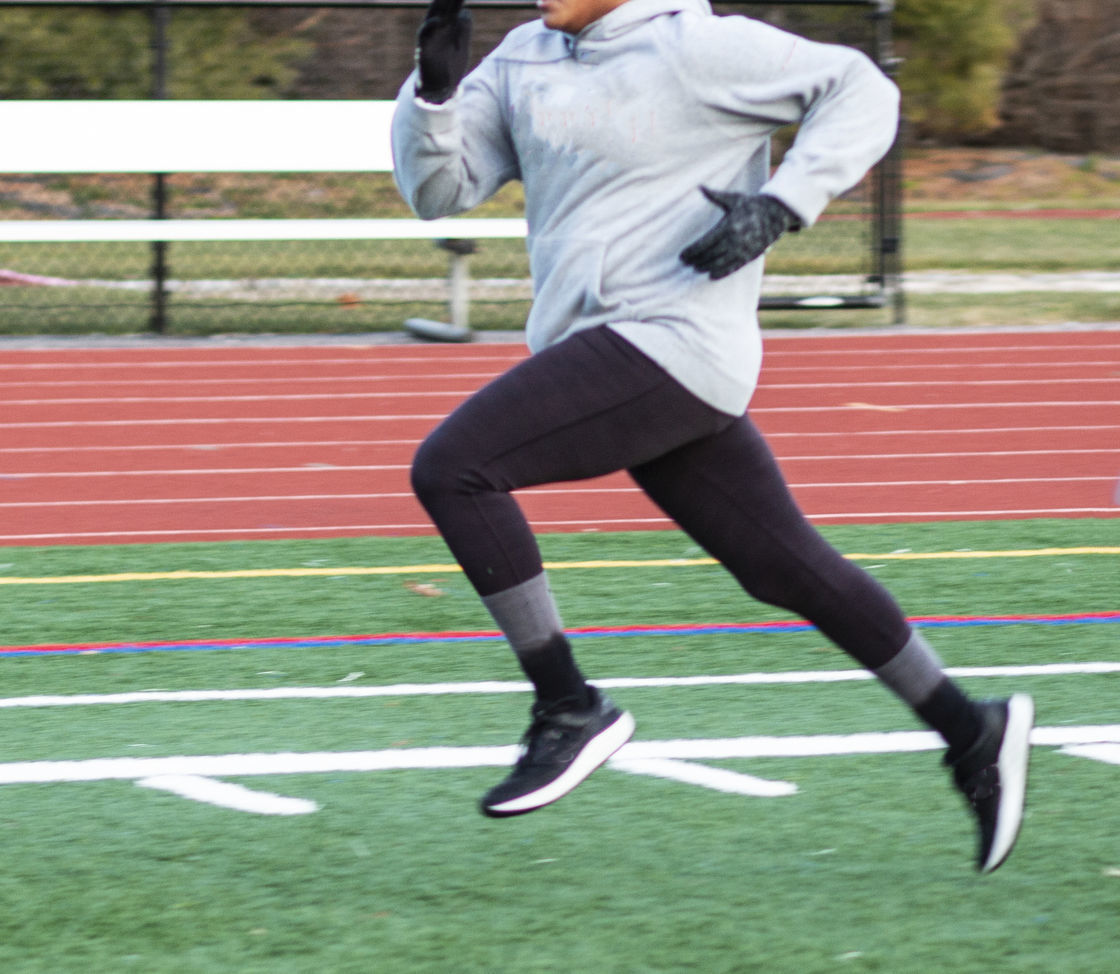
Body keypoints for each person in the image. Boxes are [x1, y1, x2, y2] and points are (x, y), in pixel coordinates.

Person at [391, 0, 1033, 872]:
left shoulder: (702, 46)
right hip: (607, 355)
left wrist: (782, 204)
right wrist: (431, 93)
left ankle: (569, 707)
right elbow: (438, 192)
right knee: (785, 565)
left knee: (456, 467)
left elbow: (862, 88)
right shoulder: (522, 59)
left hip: (674, 343)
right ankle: (972, 730)